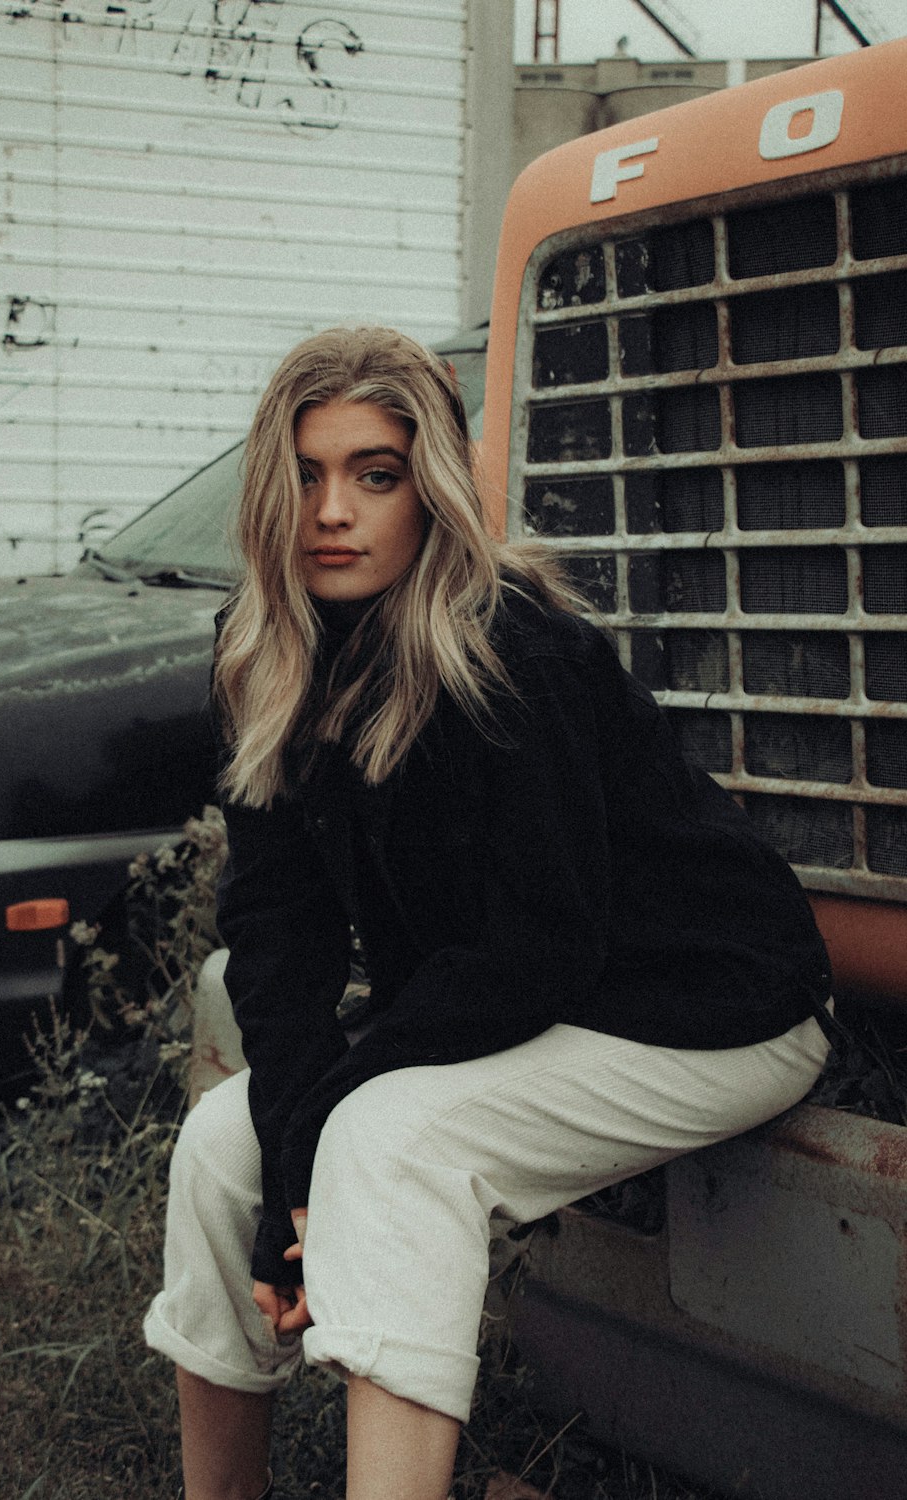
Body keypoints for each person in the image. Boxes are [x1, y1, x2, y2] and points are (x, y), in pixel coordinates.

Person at [143, 326, 833, 1500]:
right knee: (222, 1144)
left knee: (388, 1140)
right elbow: (275, 932)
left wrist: (323, 1127)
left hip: (711, 1010)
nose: (333, 511)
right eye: (305, 474)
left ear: (433, 487)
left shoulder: (511, 650)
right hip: (528, 1005)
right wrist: (287, 1143)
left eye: (376, 473)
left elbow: (538, 945)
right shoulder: (263, 655)